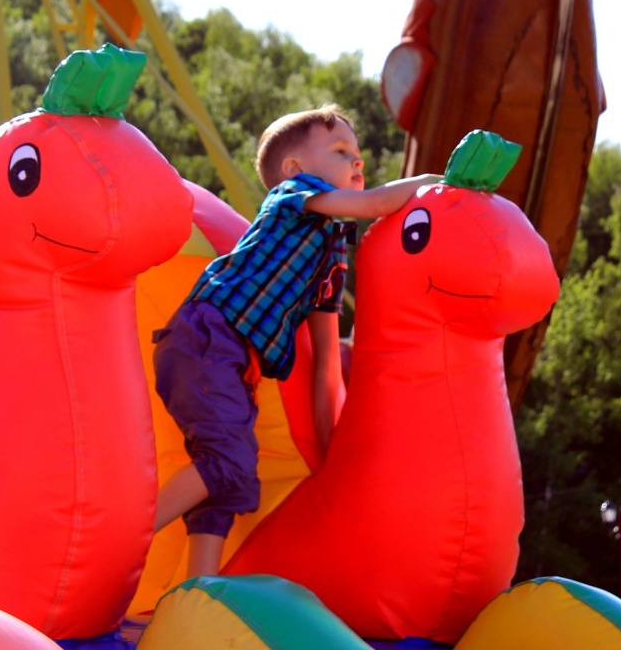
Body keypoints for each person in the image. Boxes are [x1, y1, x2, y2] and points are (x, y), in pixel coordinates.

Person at [151, 104, 441, 578]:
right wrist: (433, 183)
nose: (357, 162)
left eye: (359, 154)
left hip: (228, 364)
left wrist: (330, 450)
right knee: (229, 460)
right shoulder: (292, 195)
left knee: (230, 482)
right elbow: (372, 206)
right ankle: (128, 539)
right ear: (294, 168)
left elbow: (327, 359)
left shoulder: (331, 257)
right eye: (342, 150)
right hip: (205, 337)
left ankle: (195, 592)